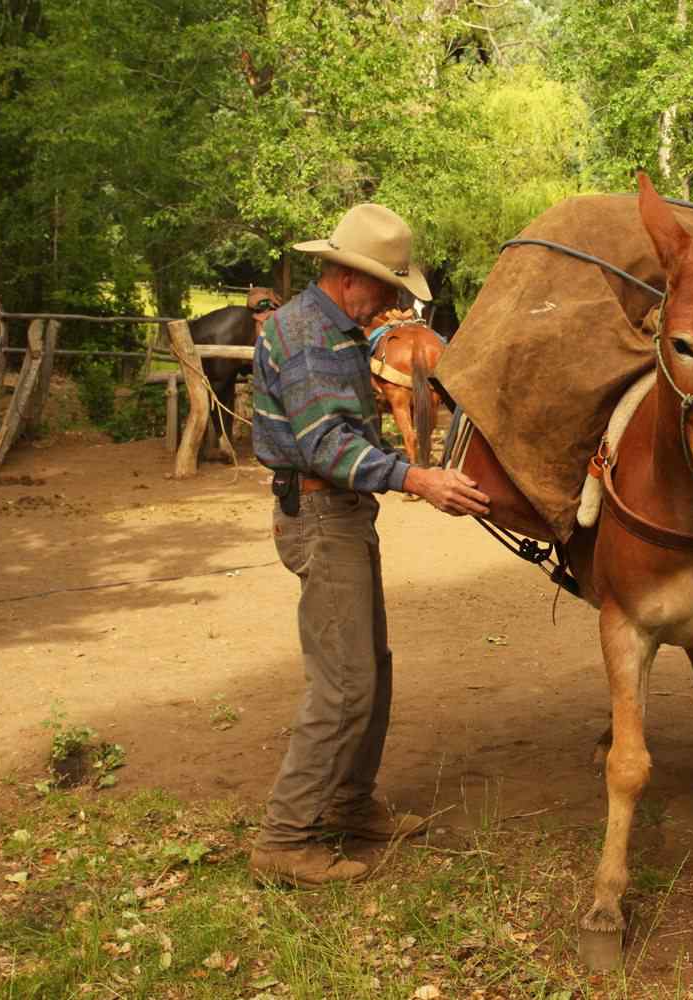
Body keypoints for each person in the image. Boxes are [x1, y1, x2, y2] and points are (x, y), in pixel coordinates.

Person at [249, 203, 491, 887]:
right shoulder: (305, 336)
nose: (389, 303)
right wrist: (416, 476)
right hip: (322, 519)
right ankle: (283, 839)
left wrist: (403, 466)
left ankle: (352, 805)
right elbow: (325, 445)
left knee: (371, 670)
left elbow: (351, 432)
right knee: (346, 682)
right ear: (351, 277)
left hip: (345, 514)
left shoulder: (340, 334)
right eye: (387, 288)